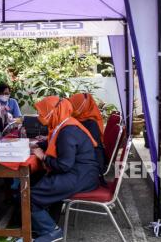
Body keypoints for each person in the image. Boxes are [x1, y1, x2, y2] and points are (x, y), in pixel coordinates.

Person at [30, 96, 100, 242]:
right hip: (84, 173)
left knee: (29, 196)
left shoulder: (67, 131)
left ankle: (51, 231)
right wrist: (40, 146)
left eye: (42, 112)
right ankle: (44, 226)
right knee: (39, 183)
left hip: (79, 176)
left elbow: (63, 165)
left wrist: (43, 157)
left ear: (54, 111)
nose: (40, 117)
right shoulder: (65, 124)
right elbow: (57, 145)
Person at [68, 92, 106, 173]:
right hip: (85, 159)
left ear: (84, 106)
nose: (72, 108)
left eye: (75, 105)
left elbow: (93, 147)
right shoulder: (80, 118)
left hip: (92, 164)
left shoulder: (90, 123)